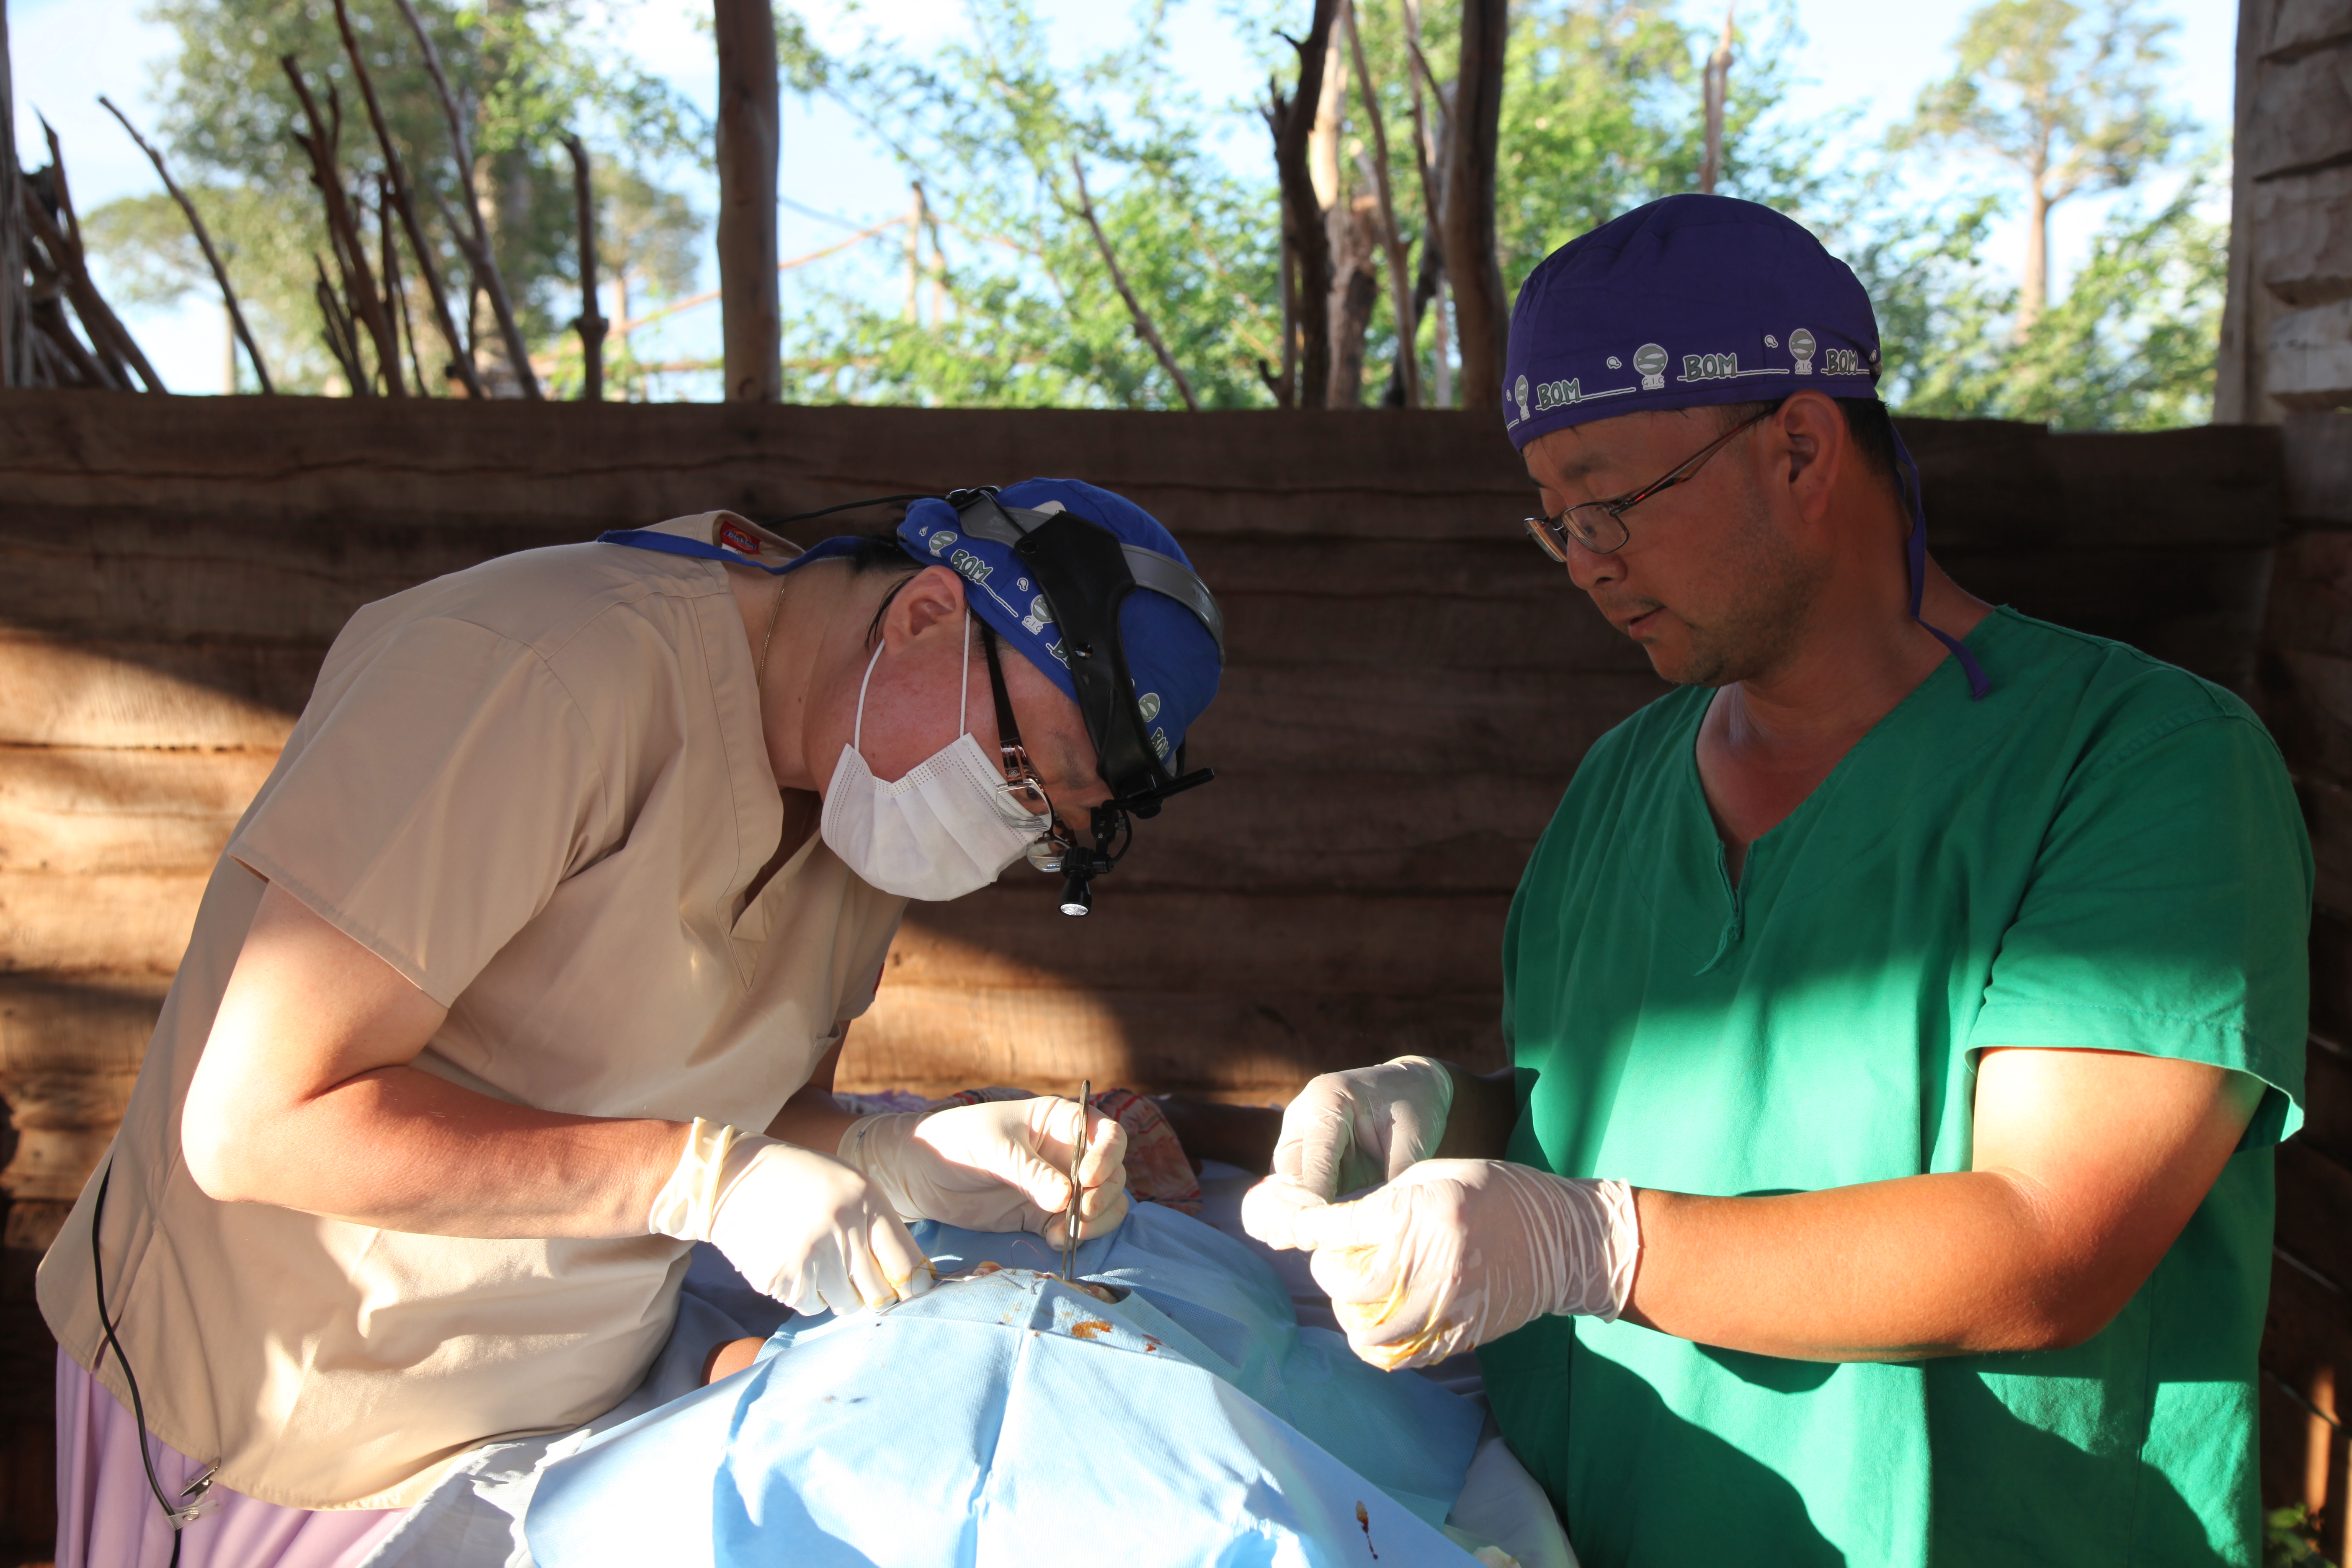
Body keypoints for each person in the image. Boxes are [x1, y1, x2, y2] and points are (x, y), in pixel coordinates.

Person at [1242, 195, 2311, 1567]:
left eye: (1612, 501)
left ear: (1801, 447)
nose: (1586, 563)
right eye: (1554, 519)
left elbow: (2051, 1237)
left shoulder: (2138, 766)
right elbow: (1609, 1130)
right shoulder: (1623, 786)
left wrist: (1592, 1249)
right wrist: (1444, 1119)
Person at [38, 478, 1223, 1568]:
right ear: (922, 615)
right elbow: (261, 1126)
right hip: (287, 1433)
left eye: (1051, 829)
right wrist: (699, 1178)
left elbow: (735, 1103)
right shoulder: (536, 668)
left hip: (552, 1432)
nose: (1008, 836)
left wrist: (888, 1149)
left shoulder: (863, 802)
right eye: (1025, 777)